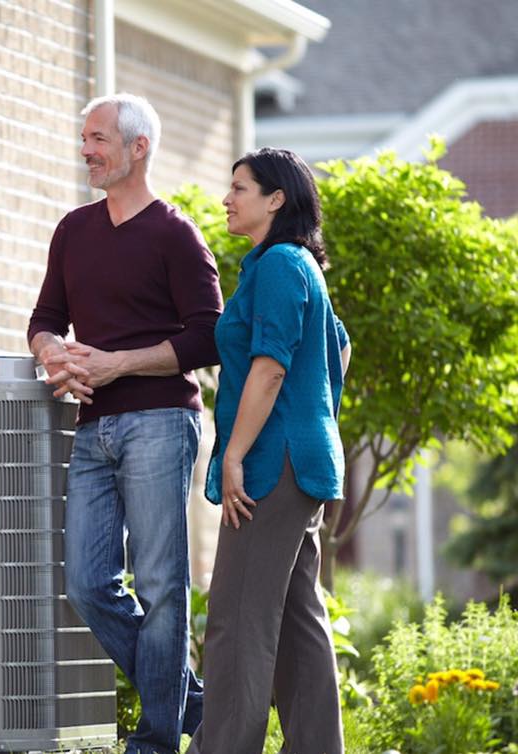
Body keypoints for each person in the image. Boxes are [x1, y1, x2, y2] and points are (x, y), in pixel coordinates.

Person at [27, 93, 223, 754]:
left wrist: (119, 365)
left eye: (100, 139)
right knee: (86, 584)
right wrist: (53, 353)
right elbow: (44, 319)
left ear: (140, 147)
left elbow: (210, 337)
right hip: (92, 427)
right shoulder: (73, 231)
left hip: (161, 424)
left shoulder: (175, 234)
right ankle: (196, 705)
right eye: (84, 138)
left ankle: (157, 741)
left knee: (164, 584)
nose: (87, 150)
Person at [190, 148, 351, 754]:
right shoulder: (292, 265)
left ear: (276, 199)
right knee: (294, 622)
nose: (227, 199)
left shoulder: (281, 264)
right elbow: (340, 349)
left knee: (236, 622)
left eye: (240, 188)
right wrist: (316, 425)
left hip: (272, 463)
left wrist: (233, 456)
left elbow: (269, 371)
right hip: (302, 462)